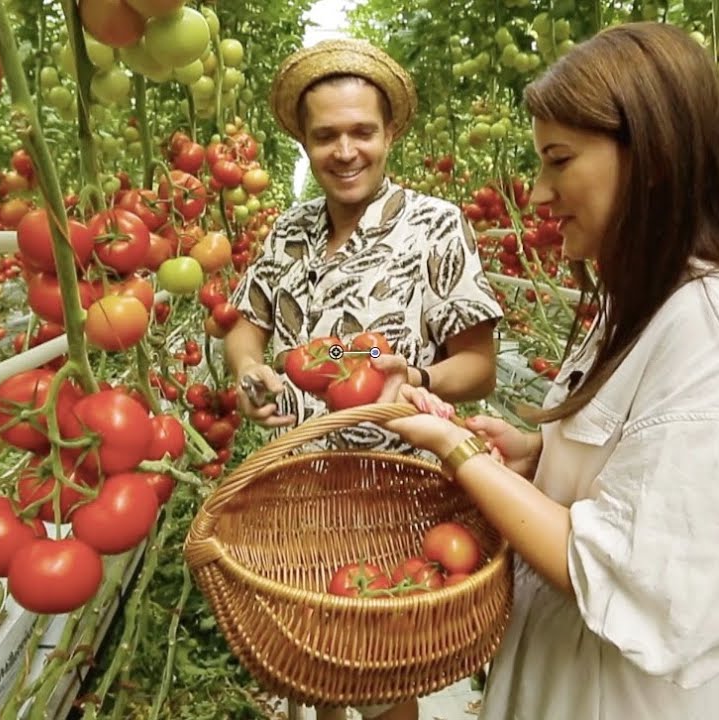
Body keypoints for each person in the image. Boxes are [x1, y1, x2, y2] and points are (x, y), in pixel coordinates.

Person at [376, 22, 719, 720]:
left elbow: (638, 578)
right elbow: (636, 476)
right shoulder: (653, 300)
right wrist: (538, 457)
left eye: (559, 160)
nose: (535, 194)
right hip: (565, 677)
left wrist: (461, 451)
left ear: (651, 154)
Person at [222, 38, 504, 720]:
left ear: (390, 134)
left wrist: (420, 374)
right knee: (319, 650)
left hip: (391, 484)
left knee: (379, 669)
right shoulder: (288, 232)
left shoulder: (435, 227)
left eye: (362, 132)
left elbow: (480, 364)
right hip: (296, 477)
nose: (345, 151)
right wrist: (250, 373)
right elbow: (244, 321)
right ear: (305, 142)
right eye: (325, 137)